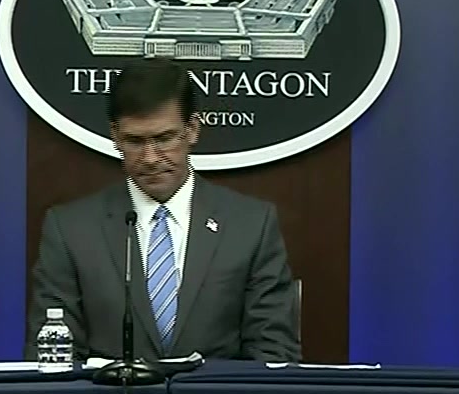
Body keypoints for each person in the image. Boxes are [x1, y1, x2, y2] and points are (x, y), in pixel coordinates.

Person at [26, 59, 300, 363]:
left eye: (164, 139)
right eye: (134, 142)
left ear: (192, 130)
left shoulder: (250, 225)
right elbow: (53, 360)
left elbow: (273, 353)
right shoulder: (70, 230)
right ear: (115, 136)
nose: (150, 158)